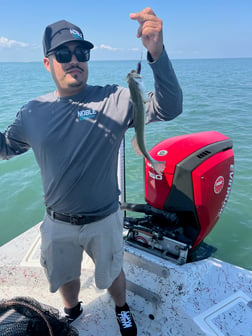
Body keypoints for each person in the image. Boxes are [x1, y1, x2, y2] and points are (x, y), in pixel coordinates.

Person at [0, 7, 182, 336]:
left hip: (105, 219)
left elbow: (170, 107)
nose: (74, 59)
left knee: (112, 272)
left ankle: (121, 307)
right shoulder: (32, 112)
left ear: (87, 59)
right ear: (47, 63)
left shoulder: (116, 98)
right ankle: (72, 309)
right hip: (57, 222)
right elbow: (5, 147)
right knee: (65, 277)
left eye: (81, 52)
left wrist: (157, 53)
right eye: (63, 53)